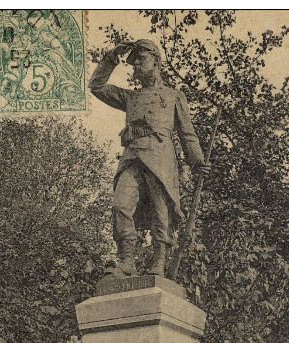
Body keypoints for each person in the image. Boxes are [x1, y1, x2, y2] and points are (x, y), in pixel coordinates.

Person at [90, 39, 210, 278]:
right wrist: (112, 57)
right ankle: (126, 260)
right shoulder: (130, 98)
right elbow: (97, 86)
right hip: (132, 157)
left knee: (160, 213)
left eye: (140, 61)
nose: (135, 68)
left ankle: (158, 262)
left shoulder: (174, 96)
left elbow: (187, 133)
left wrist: (197, 161)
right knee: (120, 205)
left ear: (156, 60)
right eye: (133, 64)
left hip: (160, 158)